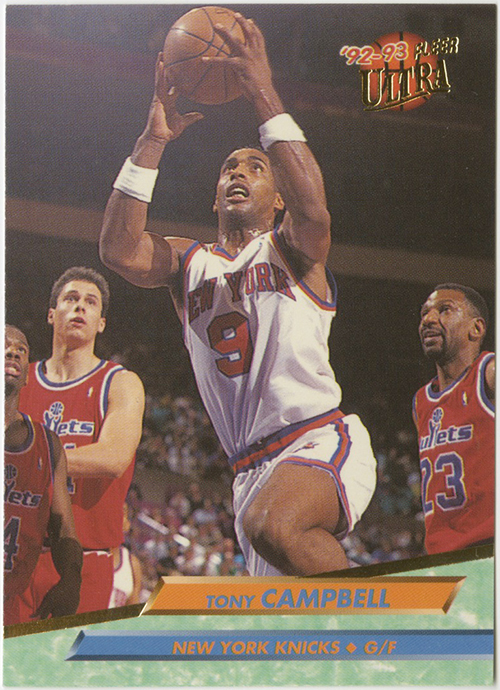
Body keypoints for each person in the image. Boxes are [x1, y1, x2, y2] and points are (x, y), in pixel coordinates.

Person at [100, 14, 376, 576]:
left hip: (316, 438)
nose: (239, 173)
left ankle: (385, 623)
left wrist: (261, 90)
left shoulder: (292, 246)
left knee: (274, 525)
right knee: (281, 612)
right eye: (229, 168)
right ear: (214, 197)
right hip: (249, 472)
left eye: (255, 167)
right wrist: (153, 140)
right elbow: (118, 251)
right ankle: (358, 628)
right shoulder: (189, 264)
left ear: (278, 198)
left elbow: (315, 210)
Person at [18, 267, 145, 615]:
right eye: (71, 299)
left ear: (100, 323)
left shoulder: (120, 382)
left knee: (70, 652)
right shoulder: (18, 381)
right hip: (16, 553)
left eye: (91, 302)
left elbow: (113, 458)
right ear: (51, 314)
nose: (80, 307)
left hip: (84, 561)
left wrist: (27, 455)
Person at [4, 325, 82, 625]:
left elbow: (63, 528)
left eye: (21, 349)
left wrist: (71, 580)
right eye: (4, 346)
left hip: (8, 609)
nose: (12, 352)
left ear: (27, 375)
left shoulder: (48, 444)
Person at [413, 284, 494, 555]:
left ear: (476, 328)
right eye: (424, 313)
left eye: (444, 310)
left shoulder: (489, 373)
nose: (428, 319)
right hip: (442, 556)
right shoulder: (420, 402)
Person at [109, 505, 142, 608]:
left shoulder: (132, 563)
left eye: (122, 512)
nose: (117, 516)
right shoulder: (87, 554)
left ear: (127, 525)